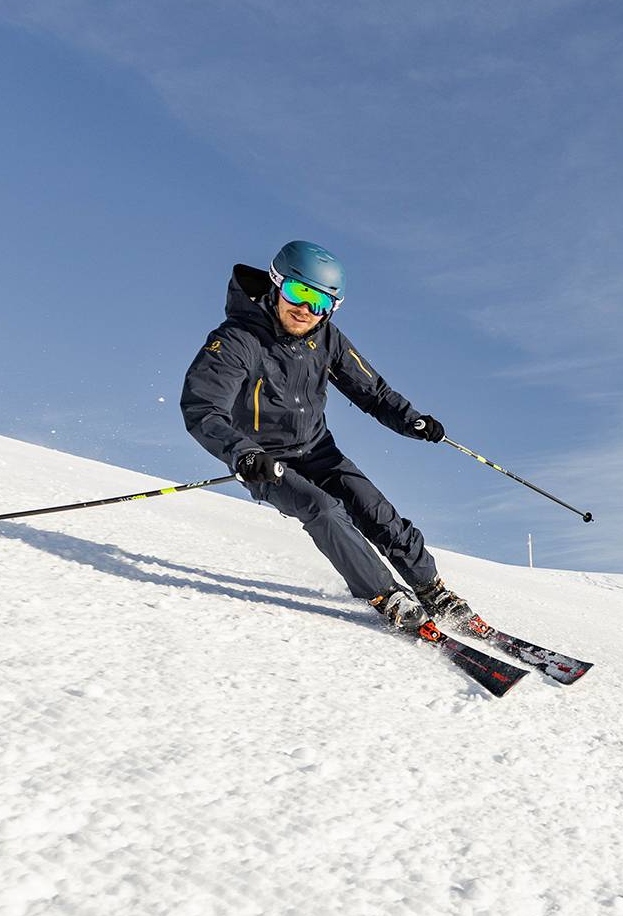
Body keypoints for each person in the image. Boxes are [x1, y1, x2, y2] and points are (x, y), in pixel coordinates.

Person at [180, 240, 474, 633]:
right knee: (322, 509)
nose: (305, 310)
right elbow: (203, 408)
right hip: (266, 462)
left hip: (318, 450)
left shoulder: (328, 339)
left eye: (319, 302)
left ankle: (430, 587)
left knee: (375, 511)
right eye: (298, 293)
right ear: (276, 284)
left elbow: (373, 392)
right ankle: (387, 596)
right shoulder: (237, 340)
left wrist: (413, 421)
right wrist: (244, 454)